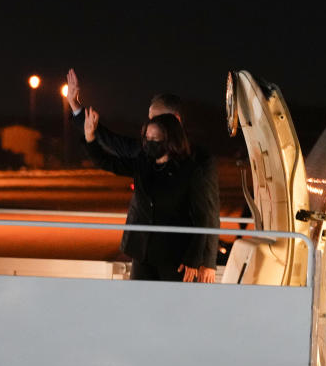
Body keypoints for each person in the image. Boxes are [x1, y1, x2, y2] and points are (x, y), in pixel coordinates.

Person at [66, 68, 220, 282]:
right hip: (143, 251)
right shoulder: (146, 153)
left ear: (173, 119)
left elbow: (208, 214)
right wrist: (76, 108)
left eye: (154, 120)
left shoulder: (199, 160)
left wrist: (206, 262)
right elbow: (110, 145)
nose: (149, 127)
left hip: (177, 255)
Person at [82, 107, 213, 282]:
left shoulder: (190, 171)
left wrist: (194, 258)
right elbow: (107, 163)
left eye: (155, 139)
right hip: (142, 254)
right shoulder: (143, 163)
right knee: (140, 303)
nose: (149, 143)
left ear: (170, 140)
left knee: (172, 306)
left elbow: (202, 217)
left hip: (175, 257)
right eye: (147, 138)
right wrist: (90, 137)